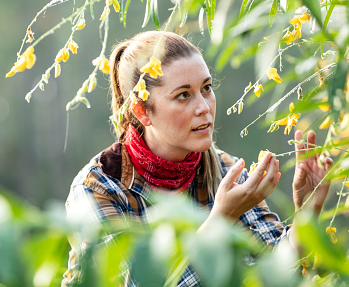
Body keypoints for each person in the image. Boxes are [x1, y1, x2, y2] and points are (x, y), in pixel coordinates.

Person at [62, 31, 333, 286]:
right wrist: (220, 222)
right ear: (143, 111)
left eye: (206, 88)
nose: (204, 108)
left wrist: (307, 214)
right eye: (183, 96)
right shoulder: (96, 189)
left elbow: (272, 270)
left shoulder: (225, 169)